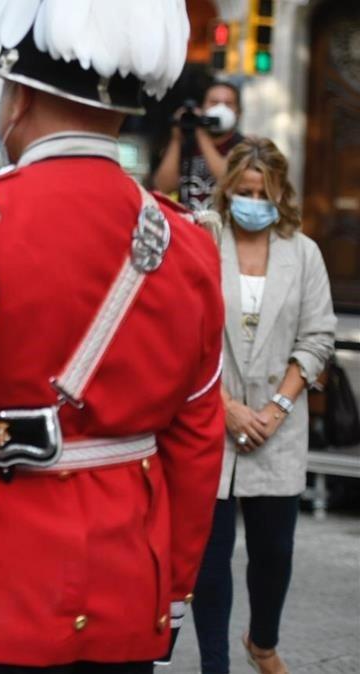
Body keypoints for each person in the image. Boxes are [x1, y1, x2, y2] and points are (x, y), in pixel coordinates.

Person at [0, 2, 226, 672]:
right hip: (133, 596)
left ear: (18, 96)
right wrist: (171, 594)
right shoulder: (188, 243)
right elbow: (197, 440)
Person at [192, 138, 336, 674]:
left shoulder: (304, 252)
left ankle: (263, 642)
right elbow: (186, 334)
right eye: (245, 191)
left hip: (278, 426)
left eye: (264, 192)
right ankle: (214, 665)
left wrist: (276, 408)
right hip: (212, 420)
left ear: (281, 193)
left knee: (273, 553)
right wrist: (225, 406)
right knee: (210, 560)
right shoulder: (205, 240)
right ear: (229, 191)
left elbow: (318, 336)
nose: (254, 200)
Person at [152, 81, 244, 211]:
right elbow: (163, 187)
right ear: (203, 107)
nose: (220, 108)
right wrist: (176, 139)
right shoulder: (186, 144)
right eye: (214, 102)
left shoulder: (242, 146)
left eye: (228, 104)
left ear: (239, 112)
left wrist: (200, 131)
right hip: (188, 225)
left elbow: (227, 179)